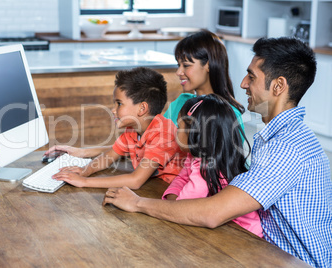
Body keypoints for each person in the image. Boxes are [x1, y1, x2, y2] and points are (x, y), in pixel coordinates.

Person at [103, 37, 332, 267]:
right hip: (265, 251)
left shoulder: (287, 147)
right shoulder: (282, 135)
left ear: (278, 86)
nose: (243, 83)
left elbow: (213, 213)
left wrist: (138, 204)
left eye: (251, 77)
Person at [44, 29, 245, 158]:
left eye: (186, 65)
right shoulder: (181, 102)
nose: (178, 72)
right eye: (178, 65)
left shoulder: (227, 113)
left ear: (208, 65)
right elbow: (145, 143)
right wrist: (81, 152)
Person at [51, 67, 186, 188]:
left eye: (119, 104)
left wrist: (84, 182)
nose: (113, 110)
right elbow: (108, 157)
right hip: (155, 185)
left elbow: (135, 180)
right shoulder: (131, 130)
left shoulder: (163, 133)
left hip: (175, 189)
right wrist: (85, 171)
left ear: (142, 108)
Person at [162, 94, 263, 237]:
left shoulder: (207, 166)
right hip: (224, 230)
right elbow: (181, 180)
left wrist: (174, 205)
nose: (175, 131)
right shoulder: (195, 156)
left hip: (244, 237)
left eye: (179, 126)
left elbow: (183, 205)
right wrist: (173, 201)